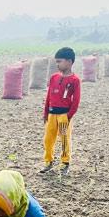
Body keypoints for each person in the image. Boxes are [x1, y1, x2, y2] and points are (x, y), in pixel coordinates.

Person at [40, 47, 81, 176]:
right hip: (52, 115)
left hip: (64, 116)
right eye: (56, 62)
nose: (57, 64)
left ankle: (65, 163)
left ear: (69, 62)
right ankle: (48, 161)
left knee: (64, 139)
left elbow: (76, 100)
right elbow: (49, 96)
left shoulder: (75, 80)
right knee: (48, 139)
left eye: (59, 61)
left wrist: (69, 116)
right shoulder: (54, 78)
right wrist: (46, 113)